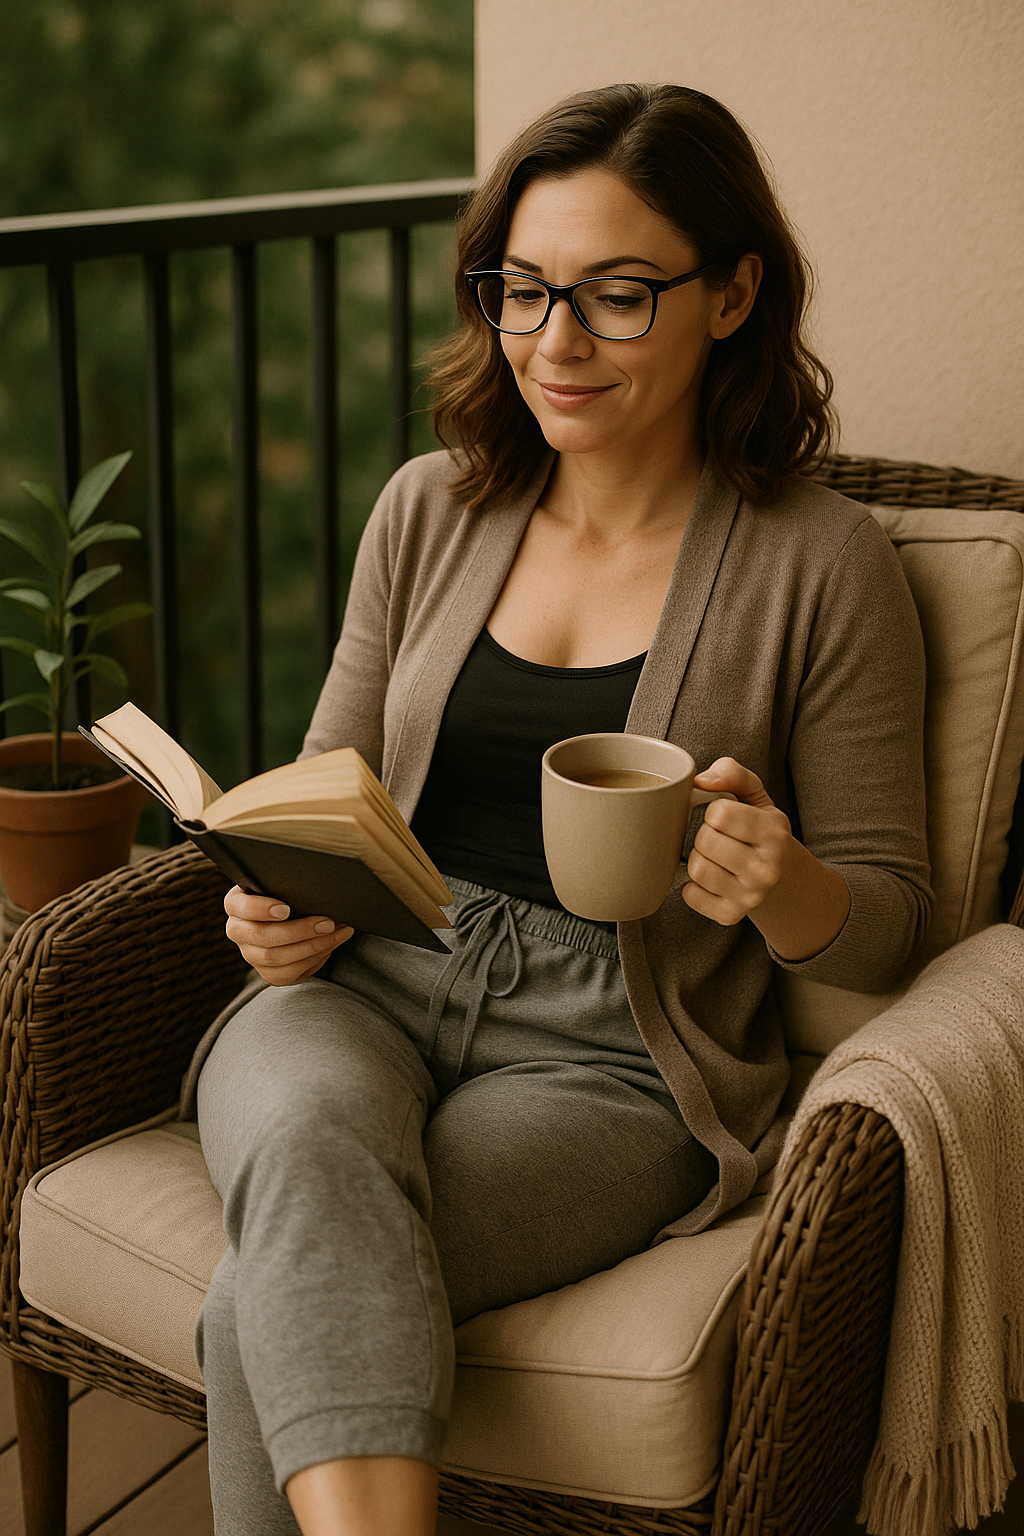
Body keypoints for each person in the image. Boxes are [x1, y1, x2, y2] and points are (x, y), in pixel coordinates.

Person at [188, 83, 932, 1536]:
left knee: (257, 1312)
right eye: (521, 292)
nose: (554, 343)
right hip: (362, 984)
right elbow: (320, 785)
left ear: (732, 296)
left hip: (614, 1060)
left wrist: (780, 882)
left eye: (616, 296)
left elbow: (892, 930)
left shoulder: (824, 563)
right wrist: (273, 904)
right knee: (308, 1178)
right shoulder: (428, 509)